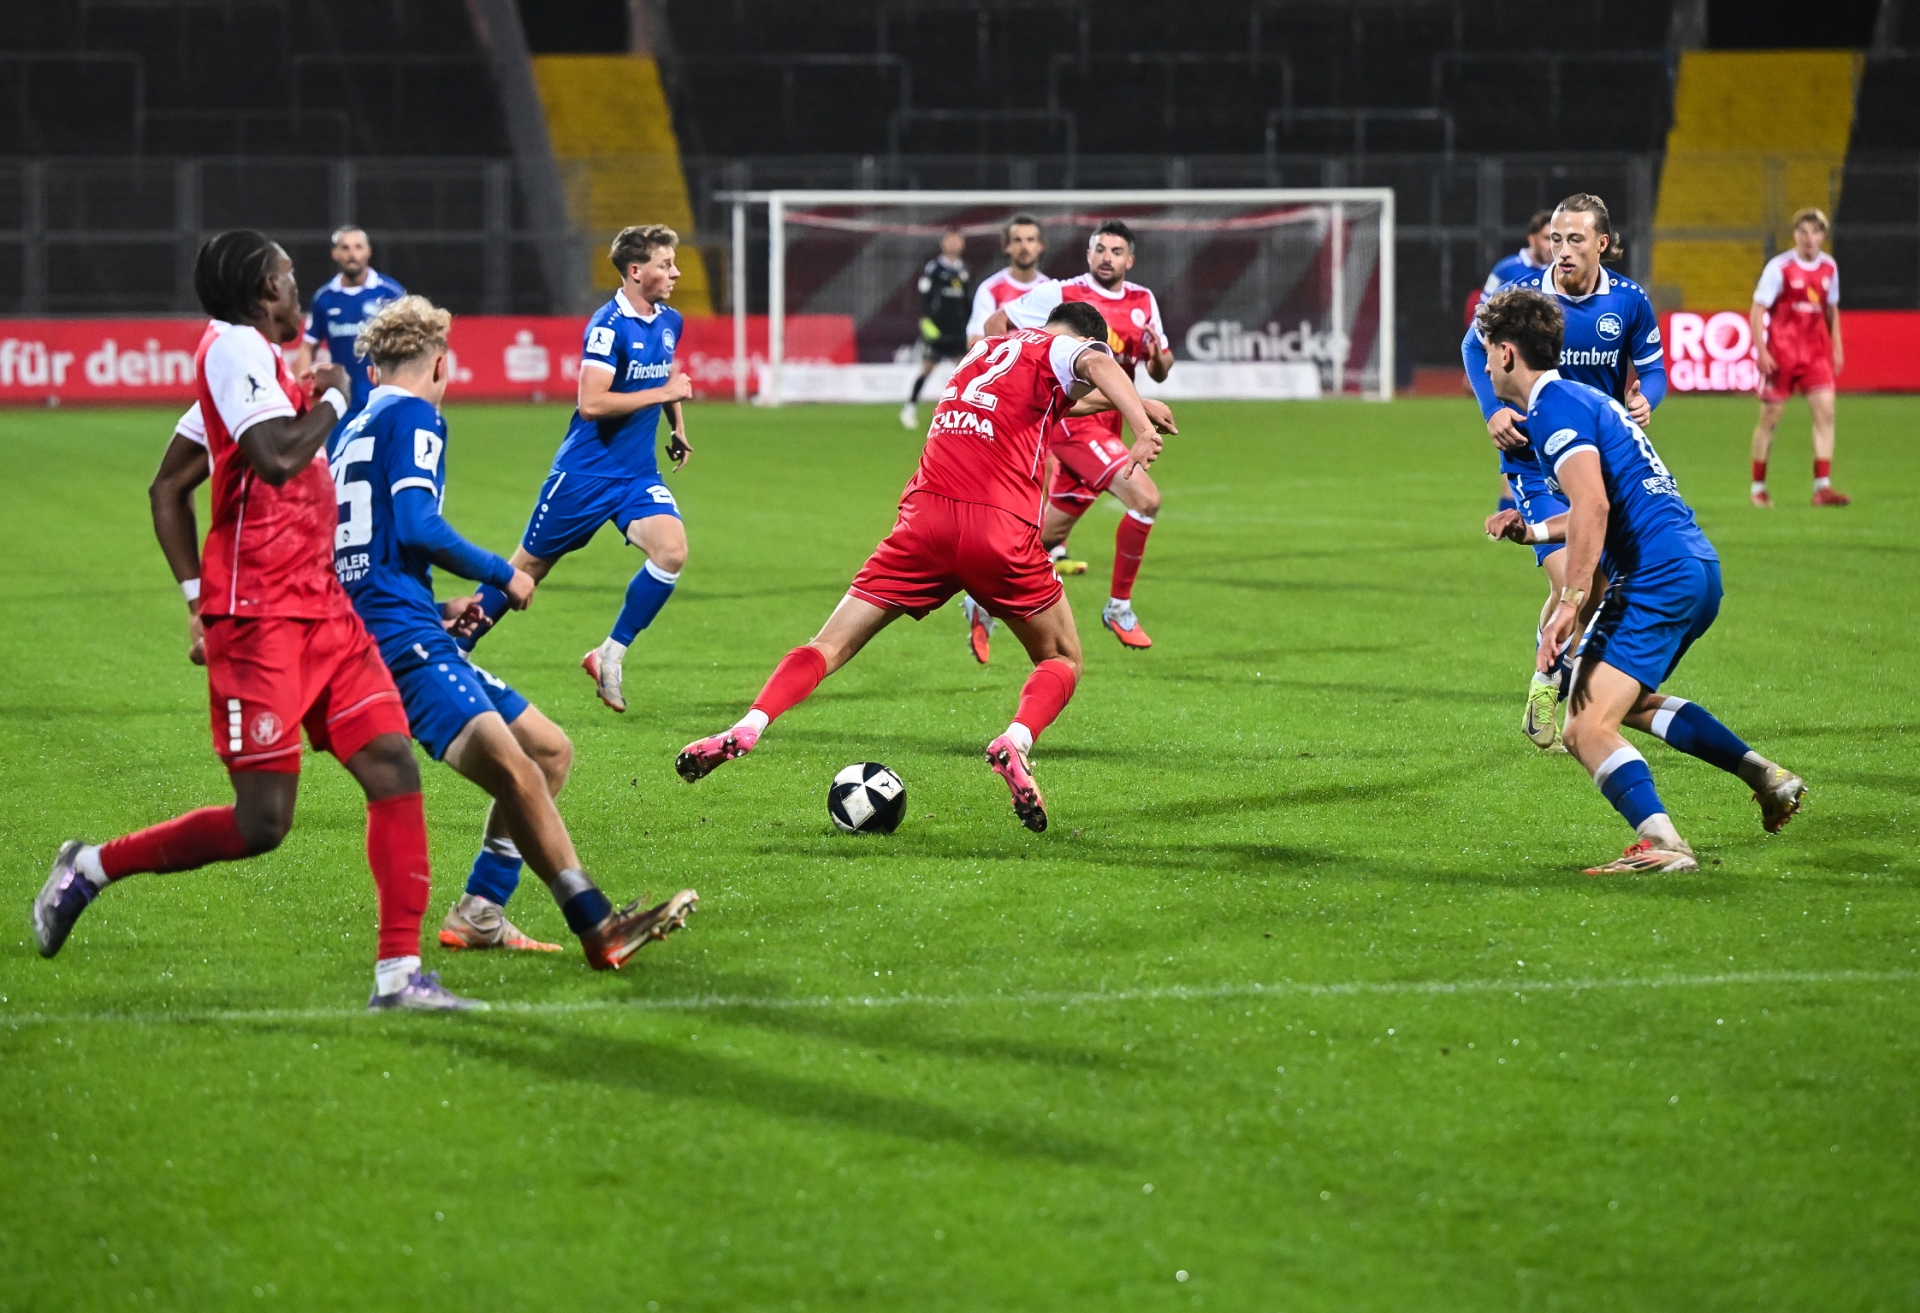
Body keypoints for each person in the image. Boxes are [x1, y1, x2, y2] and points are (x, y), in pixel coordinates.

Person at [32, 229, 478, 1012]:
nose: (298, 287)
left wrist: (190, 599)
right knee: (263, 821)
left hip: (323, 611)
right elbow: (274, 456)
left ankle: (398, 975)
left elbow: (168, 485)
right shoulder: (235, 348)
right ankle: (90, 867)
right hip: (260, 618)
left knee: (391, 764)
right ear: (264, 290)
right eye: (288, 275)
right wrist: (335, 397)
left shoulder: (260, 367)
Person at [675, 301, 1174, 832]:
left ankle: (750, 724)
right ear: (1082, 336)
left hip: (923, 524)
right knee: (1061, 657)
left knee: (830, 644)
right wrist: (1139, 425)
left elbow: (1055, 402)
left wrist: (1138, 401)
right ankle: (1016, 740)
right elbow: (1096, 363)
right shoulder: (1064, 347)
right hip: (997, 529)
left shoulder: (982, 353)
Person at [327, 296, 698, 965]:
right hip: (397, 641)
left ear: (373, 369)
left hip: (392, 623)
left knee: (549, 752)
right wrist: (505, 574)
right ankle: (598, 925)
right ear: (440, 365)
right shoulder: (417, 417)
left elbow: (354, 550)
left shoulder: (351, 430)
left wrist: (437, 606)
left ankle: (480, 911)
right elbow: (416, 525)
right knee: (518, 772)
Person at [1478, 288, 1805, 873]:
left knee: (1583, 727)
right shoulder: (1583, 399)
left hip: (1654, 575)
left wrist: (1569, 602)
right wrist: (1532, 531)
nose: (1482, 367)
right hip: (1694, 567)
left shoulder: (1552, 409)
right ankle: (1766, 777)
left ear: (1507, 353)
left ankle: (1664, 843)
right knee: (1619, 703)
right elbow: (1597, 505)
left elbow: (1594, 506)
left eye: (1486, 352)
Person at [459, 225, 694, 716]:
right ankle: (456, 647)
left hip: (636, 476)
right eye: (665, 264)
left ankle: (610, 653)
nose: (675, 273)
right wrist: (666, 394)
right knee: (524, 572)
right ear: (636, 271)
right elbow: (591, 403)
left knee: (672, 552)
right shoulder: (608, 326)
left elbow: (665, 372)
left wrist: (676, 425)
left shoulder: (669, 320)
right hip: (584, 476)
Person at [1462, 193, 1666, 753]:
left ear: (1602, 243)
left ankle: (1552, 676)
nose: (1563, 250)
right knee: (1574, 578)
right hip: (1532, 462)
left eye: (1575, 239)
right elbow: (1471, 344)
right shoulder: (1524, 297)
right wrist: (1492, 410)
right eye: (1556, 239)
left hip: (1595, 464)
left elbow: (1654, 371)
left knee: (1594, 586)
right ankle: (1550, 684)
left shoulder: (1629, 301)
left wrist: (1645, 399)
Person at [982, 220, 1174, 654]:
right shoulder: (1060, 293)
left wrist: (1159, 355)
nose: (1107, 257)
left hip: (1108, 424)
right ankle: (1119, 608)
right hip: (1074, 422)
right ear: (1088, 255)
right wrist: (1012, 376)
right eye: (1100, 249)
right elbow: (997, 322)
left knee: (1043, 539)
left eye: (1116, 251)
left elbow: (1159, 369)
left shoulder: (1143, 300)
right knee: (1145, 500)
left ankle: (980, 599)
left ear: (1130, 260)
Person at [1749, 208, 1848, 508]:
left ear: (1823, 236)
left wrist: (1837, 347)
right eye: (1803, 232)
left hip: (1816, 356)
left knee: (1826, 415)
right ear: (1795, 234)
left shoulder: (1829, 267)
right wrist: (1762, 350)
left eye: (1815, 232)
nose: (1809, 238)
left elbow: (1831, 309)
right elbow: (1757, 310)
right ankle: (1758, 487)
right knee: (1770, 419)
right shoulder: (1780, 268)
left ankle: (1822, 488)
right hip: (1782, 356)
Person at [295, 226, 406, 430]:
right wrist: (299, 393)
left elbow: (413, 345)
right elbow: (308, 347)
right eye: (345, 248)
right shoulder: (324, 298)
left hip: (382, 401)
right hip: (342, 403)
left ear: (368, 252)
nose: (352, 254)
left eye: (357, 247)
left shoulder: (391, 293)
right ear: (335, 254)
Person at [900, 226, 972, 430]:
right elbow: (924, 297)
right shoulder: (933, 268)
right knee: (928, 367)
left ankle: (966, 414)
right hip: (939, 329)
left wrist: (969, 324)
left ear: (962, 244)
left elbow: (967, 301)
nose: (953, 244)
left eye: (957, 240)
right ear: (943, 243)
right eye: (950, 240)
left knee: (966, 372)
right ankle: (910, 407)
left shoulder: (964, 270)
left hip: (958, 330)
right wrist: (925, 321)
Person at [966, 214, 1052, 346]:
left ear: (1041, 245)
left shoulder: (1050, 291)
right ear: (1007, 246)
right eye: (1017, 240)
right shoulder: (990, 289)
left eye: (1030, 240)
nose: (1024, 246)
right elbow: (975, 342)